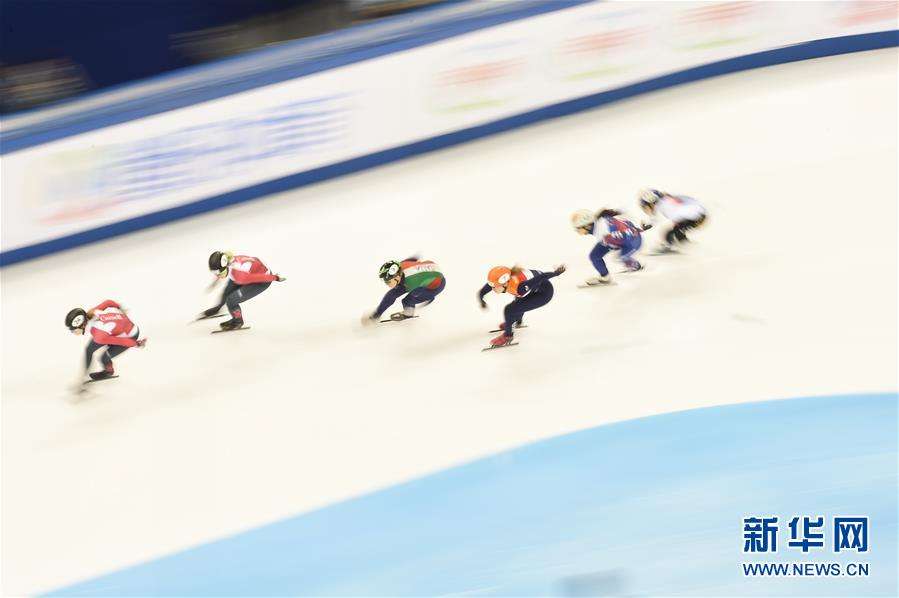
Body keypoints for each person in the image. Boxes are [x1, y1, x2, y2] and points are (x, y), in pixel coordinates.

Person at [478, 264, 565, 347]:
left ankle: (508, 336)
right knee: (518, 302)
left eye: (494, 286)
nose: (493, 289)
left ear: (505, 283)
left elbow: (541, 277)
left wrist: (556, 273)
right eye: (492, 285)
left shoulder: (520, 287)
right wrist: (481, 299)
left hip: (544, 294)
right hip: (534, 289)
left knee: (509, 310)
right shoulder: (504, 280)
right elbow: (484, 290)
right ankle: (516, 320)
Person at [64, 300, 147, 381]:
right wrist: (120, 308)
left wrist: (136, 344)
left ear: (82, 325)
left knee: (104, 357)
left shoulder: (99, 335)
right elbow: (108, 302)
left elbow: (121, 341)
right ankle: (84, 374)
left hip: (130, 335)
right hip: (120, 326)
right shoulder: (91, 313)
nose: (73, 332)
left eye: (73, 330)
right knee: (89, 349)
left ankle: (109, 371)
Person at [202, 251, 285, 330]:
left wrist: (275, 277)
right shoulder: (228, 260)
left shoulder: (240, 276)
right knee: (227, 292)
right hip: (251, 270)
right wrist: (214, 284)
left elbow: (260, 278)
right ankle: (218, 308)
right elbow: (220, 270)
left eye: (218, 273)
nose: (217, 275)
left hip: (261, 281)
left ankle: (237, 321)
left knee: (231, 300)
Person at [571, 208, 643, 285]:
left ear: (587, 226)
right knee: (594, 256)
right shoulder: (598, 224)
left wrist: (638, 228)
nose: (576, 231)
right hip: (618, 238)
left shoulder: (603, 232)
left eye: (578, 228)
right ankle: (605, 277)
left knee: (619, 257)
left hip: (633, 241)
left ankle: (635, 265)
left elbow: (626, 234)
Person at [366, 256, 446, 323]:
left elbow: (413, 260)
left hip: (436, 285)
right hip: (430, 268)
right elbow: (412, 259)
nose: (386, 283)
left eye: (388, 281)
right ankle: (377, 315)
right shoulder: (400, 265)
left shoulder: (412, 282)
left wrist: (428, 297)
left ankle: (409, 313)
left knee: (407, 301)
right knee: (392, 294)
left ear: (397, 277)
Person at [638, 188, 707, 253]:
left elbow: (657, 219)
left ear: (652, 203)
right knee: (677, 231)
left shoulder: (662, 206)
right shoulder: (665, 199)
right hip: (700, 214)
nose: (646, 209)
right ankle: (684, 243)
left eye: (646, 206)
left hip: (695, 217)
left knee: (669, 234)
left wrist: (648, 226)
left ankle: (670, 247)